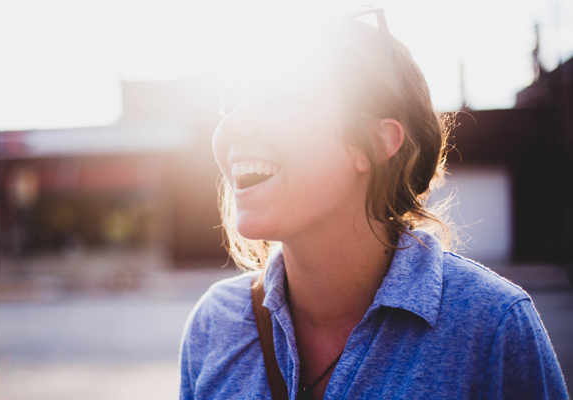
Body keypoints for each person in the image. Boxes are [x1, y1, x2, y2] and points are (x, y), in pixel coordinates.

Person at [178, 9, 569, 400]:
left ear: (379, 142)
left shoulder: (492, 325)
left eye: (280, 98)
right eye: (228, 108)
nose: (231, 126)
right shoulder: (215, 323)